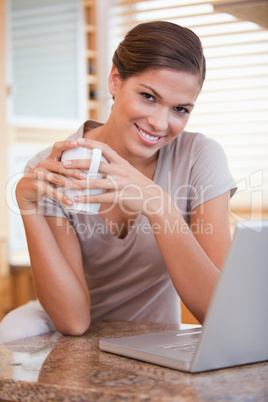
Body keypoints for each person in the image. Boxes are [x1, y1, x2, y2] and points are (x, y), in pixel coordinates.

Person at [0, 21, 236, 343]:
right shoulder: (56, 168)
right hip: (69, 326)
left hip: (153, 335)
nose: (159, 123)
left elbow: (221, 311)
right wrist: (27, 205)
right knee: (10, 334)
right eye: (148, 96)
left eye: (180, 109)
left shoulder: (199, 157)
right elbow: (73, 321)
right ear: (115, 80)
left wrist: (157, 204)